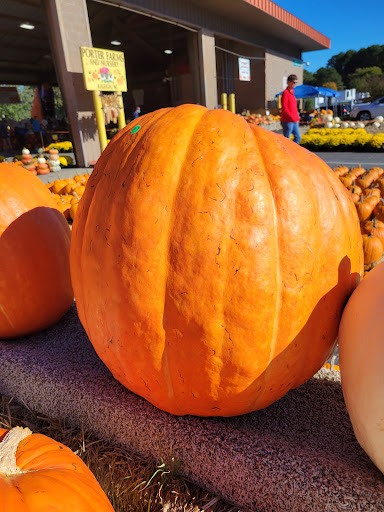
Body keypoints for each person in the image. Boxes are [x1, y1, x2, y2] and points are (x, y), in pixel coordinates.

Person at [280, 74, 301, 144]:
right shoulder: (285, 93)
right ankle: (286, 153)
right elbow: (284, 107)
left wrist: (297, 116)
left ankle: (292, 152)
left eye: (296, 82)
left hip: (294, 120)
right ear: (289, 82)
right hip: (287, 120)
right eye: (294, 82)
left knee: (298, 137)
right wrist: (291, 117)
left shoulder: (292, 94)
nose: (295, 84)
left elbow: (294, 107)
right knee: (286, 140)